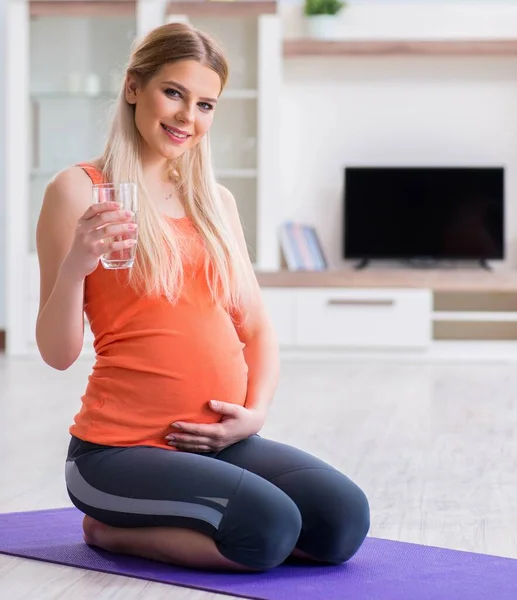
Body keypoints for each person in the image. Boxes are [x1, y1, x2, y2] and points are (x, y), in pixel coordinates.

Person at [35, 22, 370, 572]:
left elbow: (257, 329)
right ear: (133, 87)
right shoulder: (77, 190)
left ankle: (211, 514)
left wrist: (254, 416)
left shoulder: (215, 202)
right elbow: (57, 353)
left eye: (206, 104)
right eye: (174, 93)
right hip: (117, 452)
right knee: (268, 531)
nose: (188, 117)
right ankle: (108, 532)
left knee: (343, 521)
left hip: (217, 443)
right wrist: (77, 265)